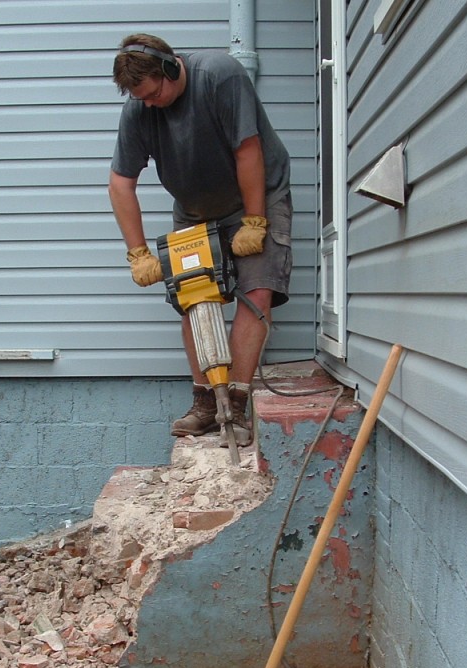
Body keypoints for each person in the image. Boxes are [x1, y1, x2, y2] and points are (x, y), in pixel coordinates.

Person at [109, 33, 293, 447]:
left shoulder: (220, 77)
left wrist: (255, 220)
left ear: (173, 68)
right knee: (194, 297)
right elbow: (121, 183)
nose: (151, 104)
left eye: (155, 93)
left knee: (256, 292)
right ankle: (207, 404)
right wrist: (137, 252)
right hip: (194, 209)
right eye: (142, 99)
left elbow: (249, 151)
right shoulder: (138, 109)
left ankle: (238, 405)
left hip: (258, 194)